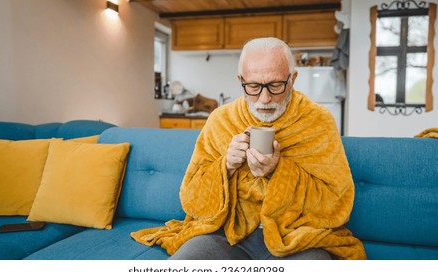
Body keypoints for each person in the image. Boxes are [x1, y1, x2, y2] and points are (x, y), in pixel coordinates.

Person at [132, 37, 366, 260]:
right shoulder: (220, 120)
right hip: (225, 234)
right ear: (241, 80)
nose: (264, 99)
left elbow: (338, 203)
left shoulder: (317, 121)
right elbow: (190, 198)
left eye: (276, 85)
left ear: (292, 79)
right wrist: (226, 166)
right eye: (253, 86)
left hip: (299, 236)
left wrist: (278, 172)